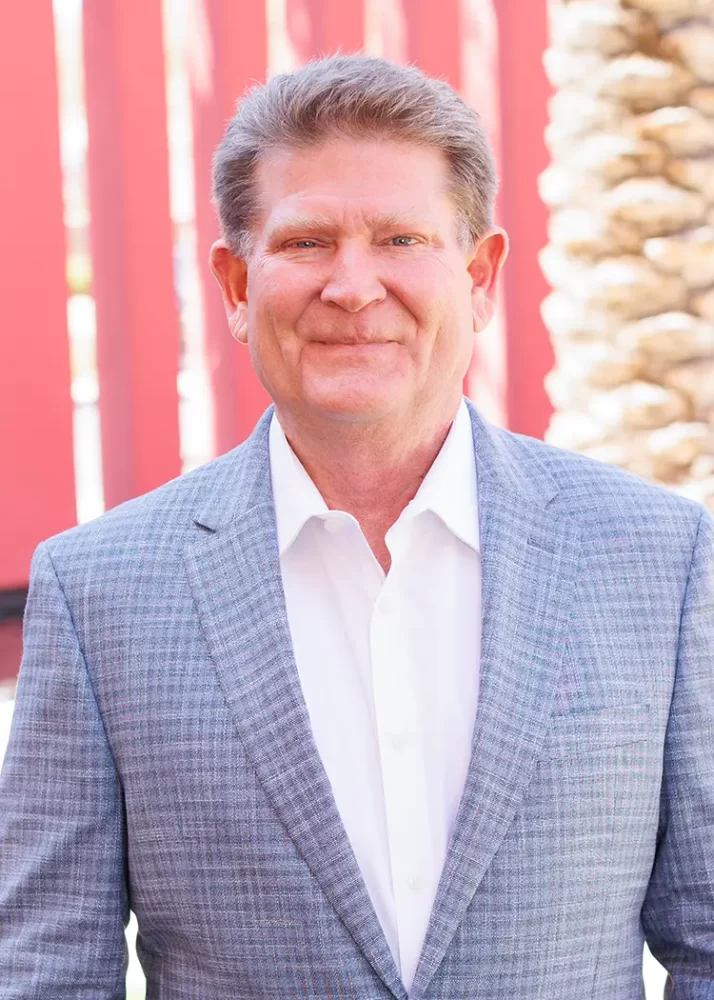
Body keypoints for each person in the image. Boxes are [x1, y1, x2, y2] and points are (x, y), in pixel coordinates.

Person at [0, 54, 712, 1000]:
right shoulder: (100, 592)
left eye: (400, 238)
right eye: (305, 242)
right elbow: (46, 971)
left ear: (480, 277)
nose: (352, 285)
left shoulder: (660, 559)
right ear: (236, 286)